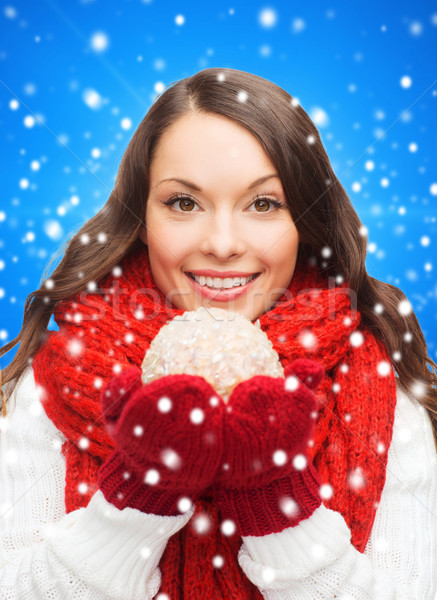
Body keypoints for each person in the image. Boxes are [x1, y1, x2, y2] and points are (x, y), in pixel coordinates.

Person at [1, 67, 436, 599]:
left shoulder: (380, 392)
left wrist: (280, 504)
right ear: (141, 217)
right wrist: (138, 489)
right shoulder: (53, 385)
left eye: (263, 203)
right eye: (184, 203)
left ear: (306, 220)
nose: (223, 243)